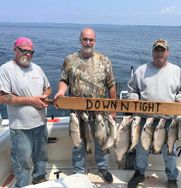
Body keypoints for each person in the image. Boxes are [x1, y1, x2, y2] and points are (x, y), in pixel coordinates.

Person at [54, 27, 116, 184]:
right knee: (79, 142)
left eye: (91, 40)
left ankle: (102, 168)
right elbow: (64, 80)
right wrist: (61, 91)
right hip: (78, 112)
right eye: (85, 39)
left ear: (95, 41)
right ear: (80, 40)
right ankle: (78, 171)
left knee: (102, 141)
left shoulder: (104, 60)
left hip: (100, 112)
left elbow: (111, 85)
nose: (88, 42)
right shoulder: (70, 59)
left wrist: (113, 107)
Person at [127, 39, 181, 188]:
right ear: (152, 52)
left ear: (168, 52)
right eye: (156, 50)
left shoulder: (176, 70)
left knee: (170, 152)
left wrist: (180, 99)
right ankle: (139, 172)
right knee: (142, 149)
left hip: (168, 121)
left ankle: (172, 178)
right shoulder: (141, 70)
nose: (159, 53)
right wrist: (135, 100)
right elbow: (132, 90)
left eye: (162, 50)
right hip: (145, 119)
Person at [0, 37, 51, 188]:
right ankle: (22, 185)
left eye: (31, 52)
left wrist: (45, 95)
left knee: (41, 157)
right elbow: (2, 97)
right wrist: (31, 101)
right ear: (14, 49)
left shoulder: (37, 68)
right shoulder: (6, 69)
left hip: (41, 123)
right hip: (20, 127)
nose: (28, 54)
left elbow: (47, 88)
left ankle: (39, 178)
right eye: (24, 50)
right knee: (22, 162)